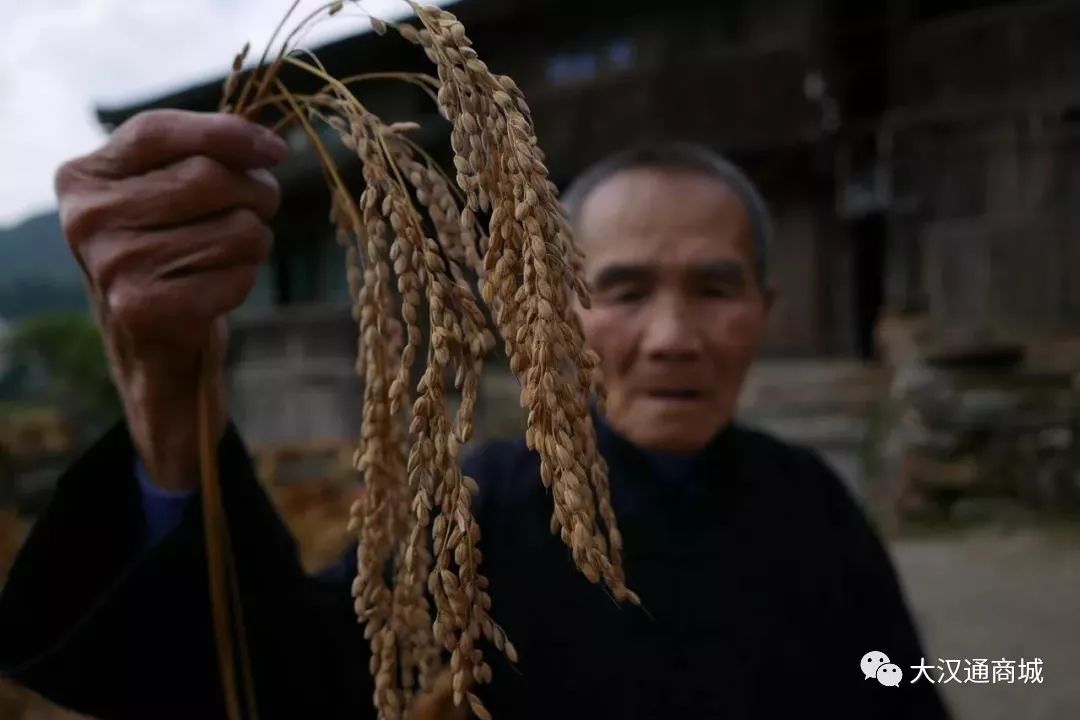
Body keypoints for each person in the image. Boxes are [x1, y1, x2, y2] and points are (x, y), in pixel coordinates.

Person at [0, 110, 952, 720]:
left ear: (766, 313)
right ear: (553, 311)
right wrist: (170, 399)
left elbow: (893, 685)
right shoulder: (476, 509)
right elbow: (277, 678)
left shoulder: (813, 504)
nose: (671, 337)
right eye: (621, 290)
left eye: (715, 288)